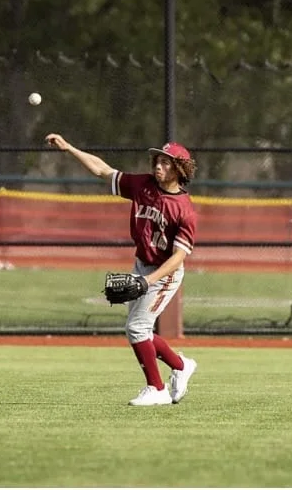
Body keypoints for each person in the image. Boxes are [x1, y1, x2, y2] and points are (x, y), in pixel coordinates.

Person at [45, 133, 198, 406]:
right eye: (157, 161)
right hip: (142, 264)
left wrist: (147, 281)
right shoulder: (143, 185)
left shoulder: (184, 210)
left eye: (166, 162)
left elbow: (178, 258)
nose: (158, 166)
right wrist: (69, 147)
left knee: (137, 328)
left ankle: (157, 388)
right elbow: (103, 170)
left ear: (179, 169)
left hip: (165, 274)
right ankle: (181, 365)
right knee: (141, 330)